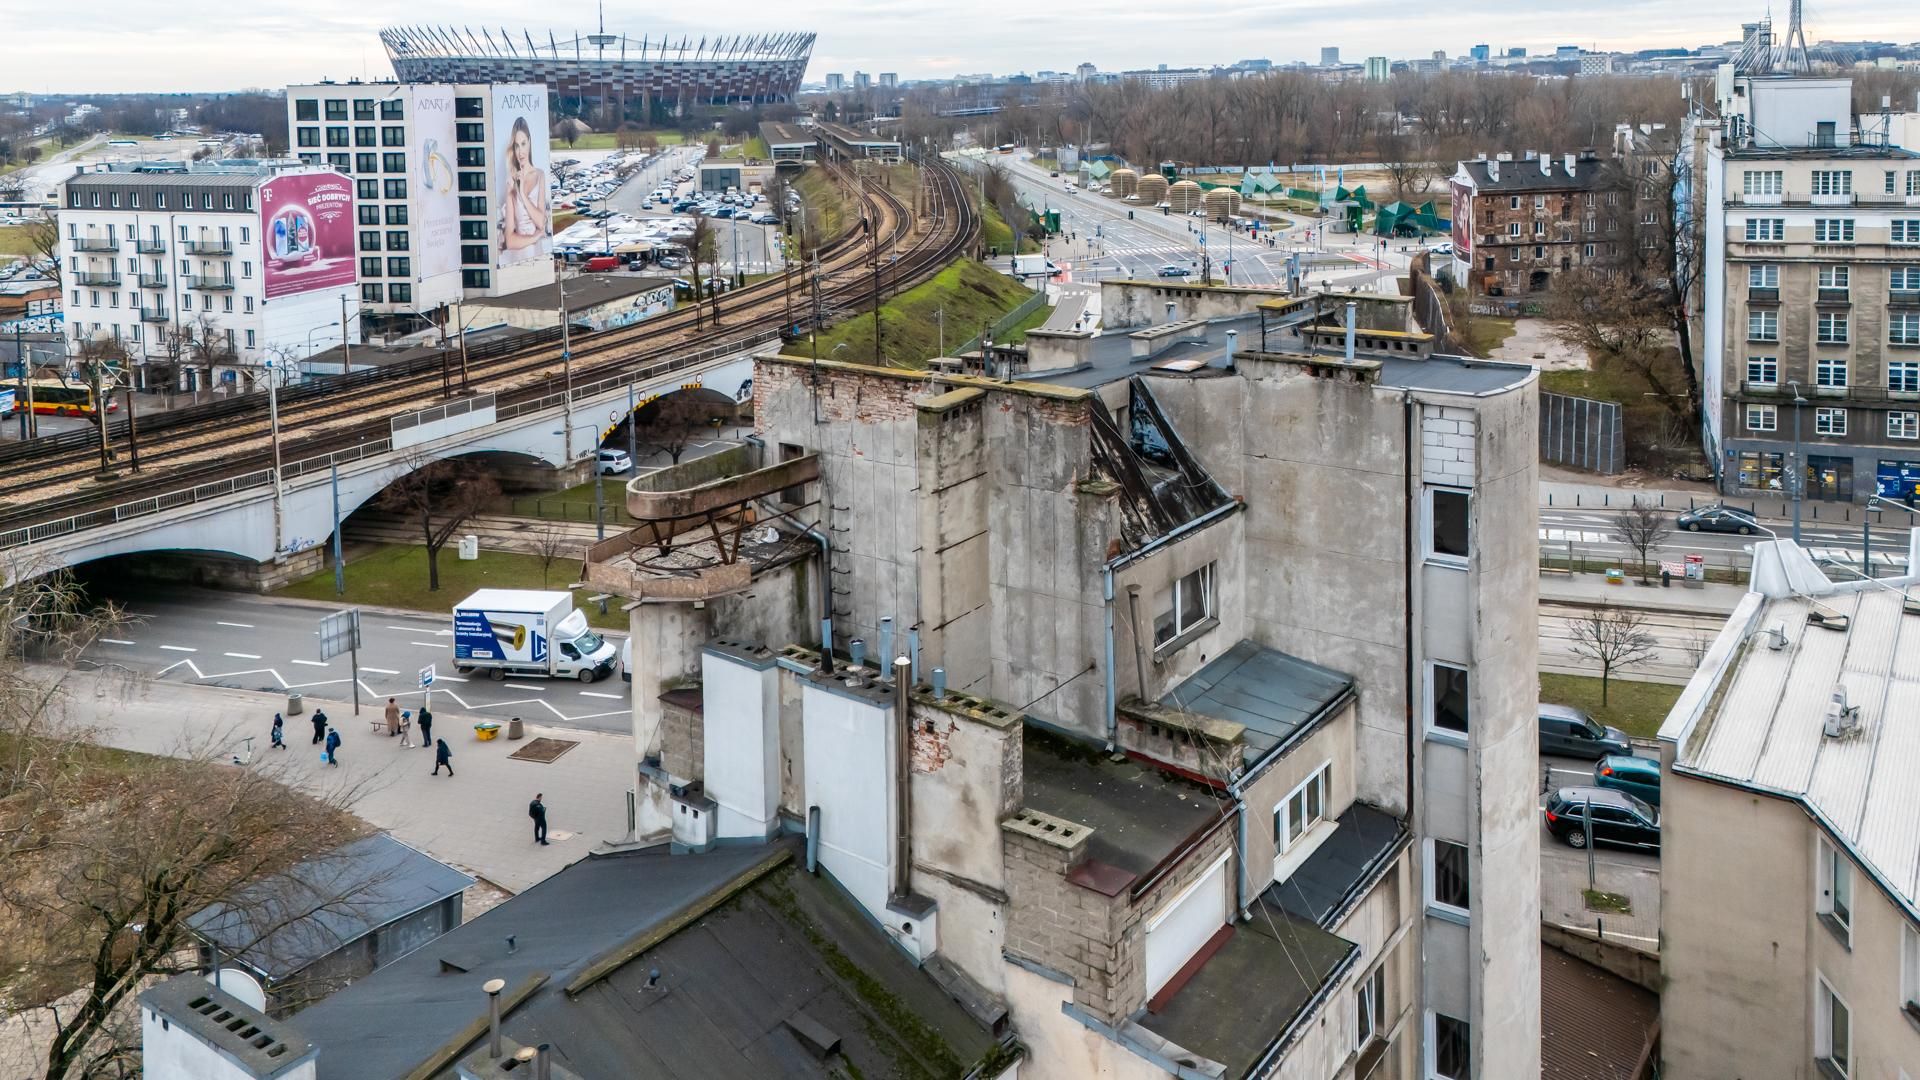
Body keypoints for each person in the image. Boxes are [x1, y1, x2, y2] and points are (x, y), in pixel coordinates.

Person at [496, 116, 549, 267]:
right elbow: (510, 241)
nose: (520, 151)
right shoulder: (510, 183)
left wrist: (523, 195)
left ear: (530, 142)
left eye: (523, 143)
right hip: (519, 257)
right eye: (516, 146)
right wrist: (534, 238)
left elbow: (541, 222)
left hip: (537, 255)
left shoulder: (539, 175)